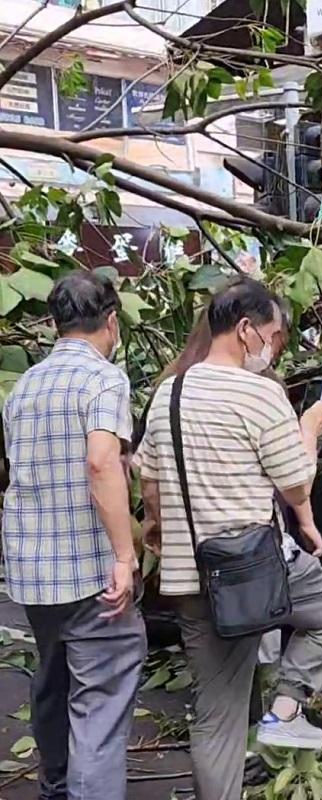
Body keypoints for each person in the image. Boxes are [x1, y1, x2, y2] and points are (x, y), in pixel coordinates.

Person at [134, 279, 322, 800]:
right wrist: (309, 429)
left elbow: (148, 478)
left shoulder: (171, 391)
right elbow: (295, 481)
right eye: (273, 336)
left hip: (191, 578)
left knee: (216, 715)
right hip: (253, 570)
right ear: (246, 329)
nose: (273, 349)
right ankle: (285, 710)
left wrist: (158, 531)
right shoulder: (261, 393)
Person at [2, 272, 146, 800]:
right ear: (111, 322)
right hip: (88, 573)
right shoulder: (104, 379)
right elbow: (100, 462)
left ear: (54, 324)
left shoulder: (24, 386)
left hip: (33, 574)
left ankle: (55, 787)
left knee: (56, 680)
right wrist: (125, 557)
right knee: (101, 702)